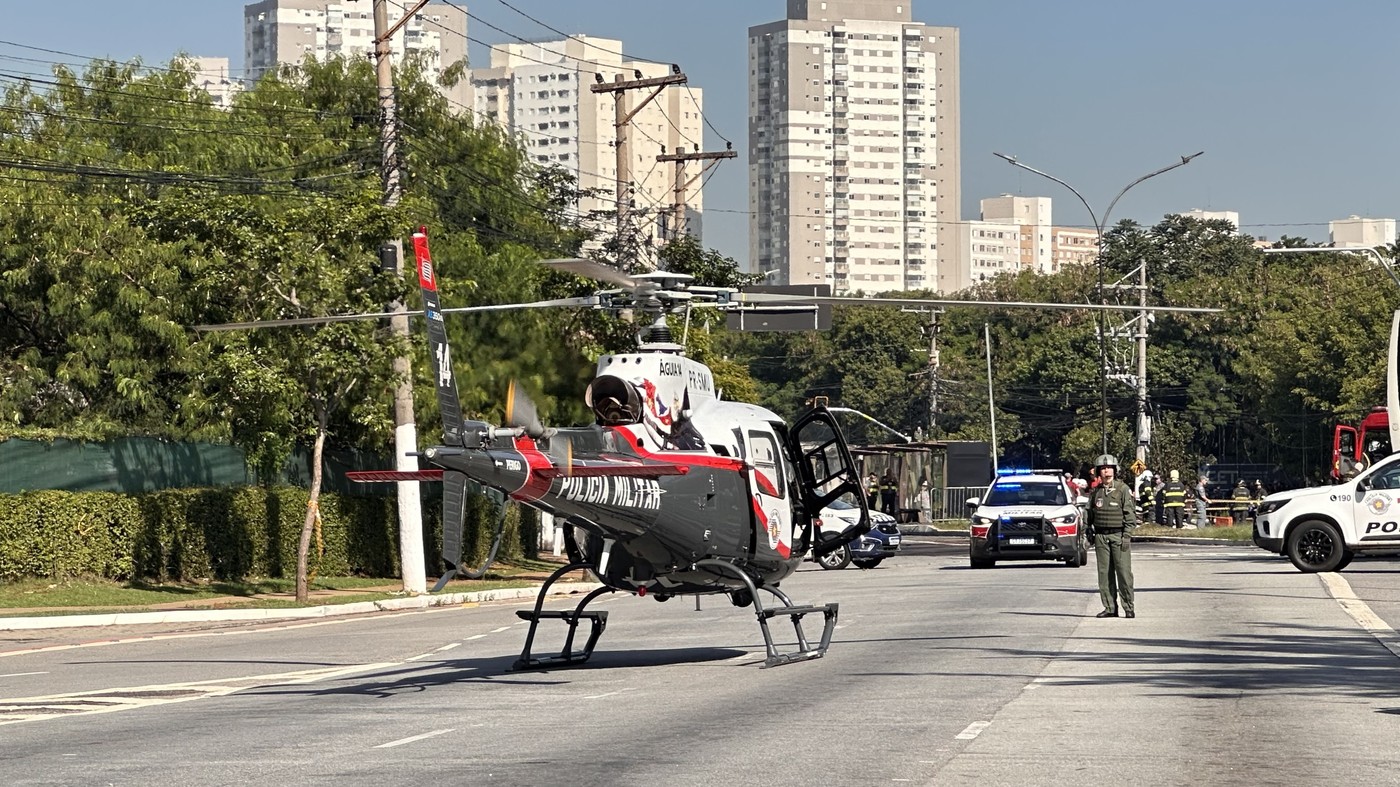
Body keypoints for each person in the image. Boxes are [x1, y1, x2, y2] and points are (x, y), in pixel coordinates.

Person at [1086, 454, 1136, 618]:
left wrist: (1127, 535)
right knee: (1104, 574)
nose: (1106, 471)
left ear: (1115, 470)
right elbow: (1089, 513)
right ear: (1098, 472)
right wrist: (1087, 530)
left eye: (1109, 468)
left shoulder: (1123, 489)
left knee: (1123, 573)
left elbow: (1130, 515)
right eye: (1103, 468)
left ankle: (1128, 607)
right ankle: (1109, 607)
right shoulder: (1096, 492)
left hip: (1118, 535)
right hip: (1101, 537)